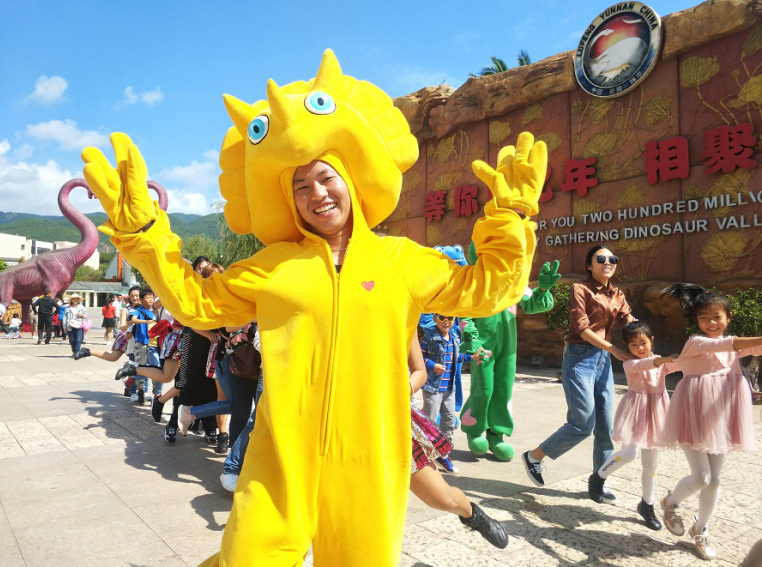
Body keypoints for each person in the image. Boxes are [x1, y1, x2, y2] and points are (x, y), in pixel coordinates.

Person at [81, 50, 545, 567]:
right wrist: (145, 236)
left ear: (351, 178)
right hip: (281, 457)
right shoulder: (274, 264)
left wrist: (512, 217)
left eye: (326, 177)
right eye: (300, 186)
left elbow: (488, 291)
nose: (317, 194)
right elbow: (196, 302)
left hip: (371, 459)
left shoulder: (402, 261)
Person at [522, 245, 634, 504]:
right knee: (582, 423)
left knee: (605, 427)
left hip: (603, 361)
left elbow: (630, 322)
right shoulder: (580, 289)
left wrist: (646, 345)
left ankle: (599, 483)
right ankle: (534, 456)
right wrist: (614, 349)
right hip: (579, 359)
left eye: (612, 259)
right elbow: (582, 328)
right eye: (601, 259)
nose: (608, 262)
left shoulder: (617, 294)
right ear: (589, 265)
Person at [658, 284, 762, 561]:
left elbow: (751, 346)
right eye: (704, 318)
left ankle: (700, 529)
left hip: (720, 418)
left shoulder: (732, 346)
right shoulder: (697, 342)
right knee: (701, 477)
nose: (711, 323)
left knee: (714, 481)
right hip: (692, 415)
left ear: (728, 318)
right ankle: (670, 503)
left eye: (717, 317)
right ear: (696, 320)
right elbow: (730, 344)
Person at [408, 338, 507, 548]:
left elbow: (419, 371)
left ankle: (473, 516)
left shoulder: (399, 321)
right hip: (340, 426)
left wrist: (400, 390)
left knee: (442, 499)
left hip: (391, 421)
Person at [593, 321, 678, 531]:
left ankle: (647, 505)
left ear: (651, 340)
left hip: (656, 414)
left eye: (643, 343)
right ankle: (598, 477)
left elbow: (681, 365)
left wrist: (687, 358)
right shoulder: (629, 363)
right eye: (633, 344)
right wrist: (666, 359)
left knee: (651, 464)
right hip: (635, 412)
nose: (639, 348)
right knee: (629, 453)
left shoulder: (661, 363)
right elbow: (646, 365)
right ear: (626, 346)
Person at [420, 313, 482, 473]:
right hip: (433, 388)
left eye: (450, 318)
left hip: (449, 389)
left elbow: (457, 358)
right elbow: (419, 356)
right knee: (430, 422)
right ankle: (425, 455)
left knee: (449, 422)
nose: (446, 321)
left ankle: (443, 454)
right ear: (435, 319)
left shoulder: (454, 337)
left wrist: (472, 357)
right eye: (442, 317)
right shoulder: (429, 338)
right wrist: (433, 365)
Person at [124, 289, 158, 404]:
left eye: (152, 298)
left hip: (153, 344)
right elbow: (133, 319)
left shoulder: (154, 313)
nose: (151, 300)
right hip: (141, 343)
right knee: (140, 367)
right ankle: (140, 390)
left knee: (154, 368)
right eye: (148, 298)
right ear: (142, 300)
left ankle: (154, 393)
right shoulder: (137, 310)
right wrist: (146, 322)